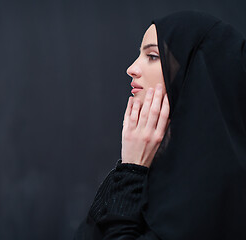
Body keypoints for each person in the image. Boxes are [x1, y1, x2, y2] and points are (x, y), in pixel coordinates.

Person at [74, 10, 246, 240]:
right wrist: (130, 168)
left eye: (153, 56)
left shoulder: (215, 188)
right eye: (140, 55)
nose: (132, 68)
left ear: (193, 69)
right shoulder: (156, 165)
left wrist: (131, 172)